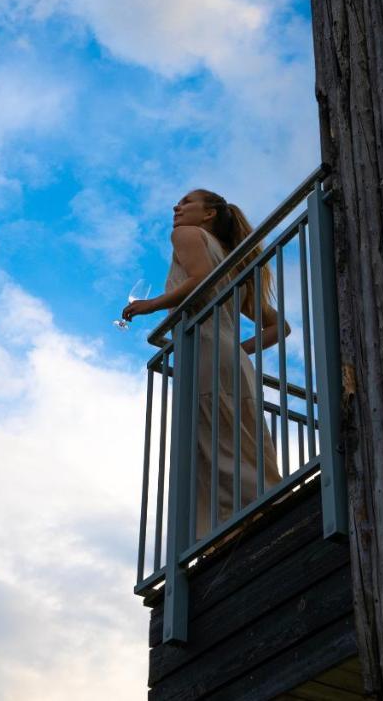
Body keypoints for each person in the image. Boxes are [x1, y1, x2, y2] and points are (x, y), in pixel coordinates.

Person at [122, 189, 285, 540]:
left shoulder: (186, 235)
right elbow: (278, 327)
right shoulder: (233, 258)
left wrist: (151, 306)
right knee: (242, 442)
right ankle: (265, 510)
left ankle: (234, 530)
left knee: (212, 445)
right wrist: (237, 350)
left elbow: (198, 280)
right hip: (233, 359)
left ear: (209, 213)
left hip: (206, 350)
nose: (176, 207)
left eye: (186, 203)